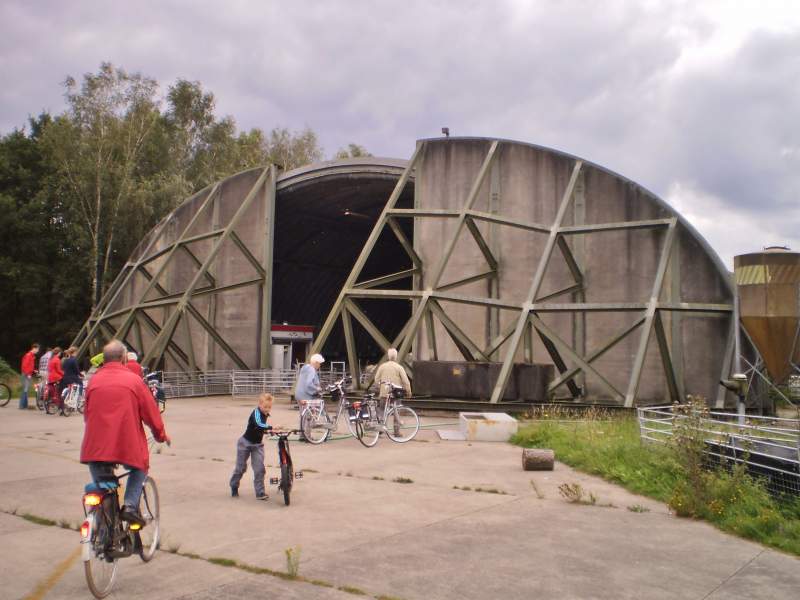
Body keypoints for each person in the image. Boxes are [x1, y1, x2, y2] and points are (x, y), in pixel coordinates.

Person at [80, 340, 170, 525]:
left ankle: (102, 526)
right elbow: (151, 413)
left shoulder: (93, 381)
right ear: (123, 358)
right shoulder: (134, 380)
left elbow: (87, 415)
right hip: (126, 444)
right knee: (139, 469)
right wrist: (161, 435)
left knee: (101, 486)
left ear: (103, 359)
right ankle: (129, 506)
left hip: (95, 447)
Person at [229, 392, 275, 500]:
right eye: (265, 407)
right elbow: (258, 424)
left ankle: (260, 492)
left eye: (269, 407)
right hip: (245, 443)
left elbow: (260, 429)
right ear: (260, 404)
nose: (267, 409)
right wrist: (270, 427)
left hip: (257, 445)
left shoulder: (265, 414)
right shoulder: (256, 413)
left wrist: (271, 431)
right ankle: (234, 485)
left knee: (259, 469)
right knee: (240, 468)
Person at [294, 353, 324, 435]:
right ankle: (307, 435)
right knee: (308, 416)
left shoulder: (305, 367)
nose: (319, 366)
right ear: (316, 362)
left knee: (302, 415)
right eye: (319, 363)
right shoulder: (311, 370)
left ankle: (302, 434)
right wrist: (317, 389)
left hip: (298, 394)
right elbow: (308, 383)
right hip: (305, 395)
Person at [19, 343, 40, 409]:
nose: (38, 351)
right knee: (25, 389)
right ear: (34, 348)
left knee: (26, 389)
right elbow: (24, 366)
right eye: (38, 349)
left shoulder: (31, 355)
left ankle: (24, 405)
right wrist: (28, 374)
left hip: (28, 373)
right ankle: (22, 406)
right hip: (26, 374)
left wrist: (33, 370)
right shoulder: (28, 355)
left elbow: (29, 366)